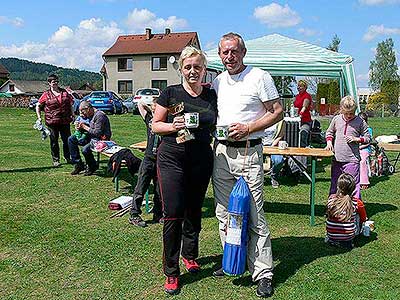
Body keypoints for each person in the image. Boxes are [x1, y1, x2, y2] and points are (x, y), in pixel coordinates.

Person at [212, 32, 283, 298]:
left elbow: (277, 111)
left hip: (248, 152)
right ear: (219, 55)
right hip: (221, 153)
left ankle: (263, 272)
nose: (229, 57)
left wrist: (249, 127)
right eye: (224, 52)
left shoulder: (259, 76)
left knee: (254, 215)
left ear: (243, 52)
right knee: (223, 212)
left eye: (234, 51)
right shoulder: (218, 81)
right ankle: (234, 260)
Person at [152, 46, 217, 295]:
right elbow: (155, 125)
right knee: (173, 213)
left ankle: (190, 255)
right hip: (172, 160)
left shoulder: (211, 95)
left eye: (197, 67)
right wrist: (172, 125)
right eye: (188, 67)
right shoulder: (170, 93)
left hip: (201, 159)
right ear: (181, 68)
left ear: (204, 70)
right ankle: (171, 270)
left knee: (194, 210)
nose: (193, 71)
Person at [325, 96, 370, 199]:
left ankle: (354, 210)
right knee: (335, 184)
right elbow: (329, 132)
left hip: (352, 160)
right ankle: (333, 209)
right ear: (341, 109)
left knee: (353, 186)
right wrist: (329, 142)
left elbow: (368, 138)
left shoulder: (360, 122)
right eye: (346, 113)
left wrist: (357, 139)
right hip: (337, 159)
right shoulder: (336, 119)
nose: (349, 116)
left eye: (351, 113)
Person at [129, 99, 162, 228]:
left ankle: (158, 214)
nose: (155, 109)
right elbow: (140, 104)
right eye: (154, 106)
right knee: (141, 187)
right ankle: (134, 214)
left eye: (158, 107)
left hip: (160, 159)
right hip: (148, 159)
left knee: (159, 189)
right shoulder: (149, 118)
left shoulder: (165, 121)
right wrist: (151, 108)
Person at [36, 74, 74, 167]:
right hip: (52, 122)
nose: (56, 83)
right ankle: (56, 160)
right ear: (49, 83)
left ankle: (68, 157)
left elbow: (71, 103)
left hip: (65, 120)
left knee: (67, 140)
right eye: (53, 82)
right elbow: (38, 105)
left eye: (57, 81)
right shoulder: (46, 94)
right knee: (54, 141)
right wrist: (39, 117)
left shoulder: (65, 92)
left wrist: (73, 114)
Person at [68, 101, 112, 176]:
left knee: (85, 149)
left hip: (101, 139)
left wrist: (84, 127)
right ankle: (78, 164)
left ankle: (92, 166)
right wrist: (80, 127)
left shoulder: (99, 116)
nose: (83, 115)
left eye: (83, 112)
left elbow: (97, 133)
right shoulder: (90, 114)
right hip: (91, 136)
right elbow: (90, 127)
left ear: (88, 109)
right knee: (71, 139)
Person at [326, 173, 358, 249]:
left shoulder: (331, 199)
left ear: (338, 187)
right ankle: (347, 241)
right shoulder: (354, 202)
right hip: (348, 236)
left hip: (331, 234)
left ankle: (333, 240)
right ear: (353, 189)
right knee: (357, 216)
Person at [263, 120, 285, 188]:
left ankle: (274, 176)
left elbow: (281, 134)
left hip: (273, 145)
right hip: (259, 144)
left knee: (279, 160)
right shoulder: (258, 116)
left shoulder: (281, 121)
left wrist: (273, 145)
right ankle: (259, 177)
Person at [294, 80, 312, 147]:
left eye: (300, 86)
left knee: (303, 133)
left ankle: (303, 152)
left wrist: (301, 113)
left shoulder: (307, 96)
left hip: (305, 121)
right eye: (298, 86)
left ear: (305, 87)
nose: (298, 87)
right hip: (297, 121)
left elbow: (304, 106)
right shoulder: (297, 96)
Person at [358, 112, 373, 190]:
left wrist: (360, 147)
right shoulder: (356, 128)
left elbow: (368, 143)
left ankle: (364, 182)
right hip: (356, 148)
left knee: (362, 161)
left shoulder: (368, 129)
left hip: (365, 149)